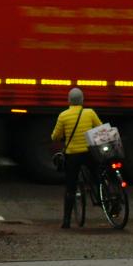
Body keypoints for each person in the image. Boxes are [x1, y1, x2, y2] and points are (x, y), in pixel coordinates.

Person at [51, 88, 102, 228]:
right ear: (82, 100)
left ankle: (66, 221)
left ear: (69, 100)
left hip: (72, 155)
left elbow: (55, 136)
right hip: (89, 153)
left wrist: (60, 137)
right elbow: (100, 129)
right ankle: (102, 196)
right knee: (97, 175)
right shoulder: (90, 113)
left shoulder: (63, 116)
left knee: (70, 187)